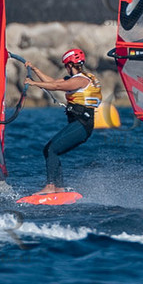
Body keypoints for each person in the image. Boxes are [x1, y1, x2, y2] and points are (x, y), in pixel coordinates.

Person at [25, 48, 101, 196]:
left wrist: (33, 83)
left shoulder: (80, 80)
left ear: (69, 65)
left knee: (51, 149)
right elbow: (53, 82)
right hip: (80, 124)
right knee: (51, 149)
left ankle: (50, 186)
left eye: (66, 65)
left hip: (81, 125)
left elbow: (57, 87)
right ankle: (59, 189)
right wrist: (35, 69)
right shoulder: (82, 77)